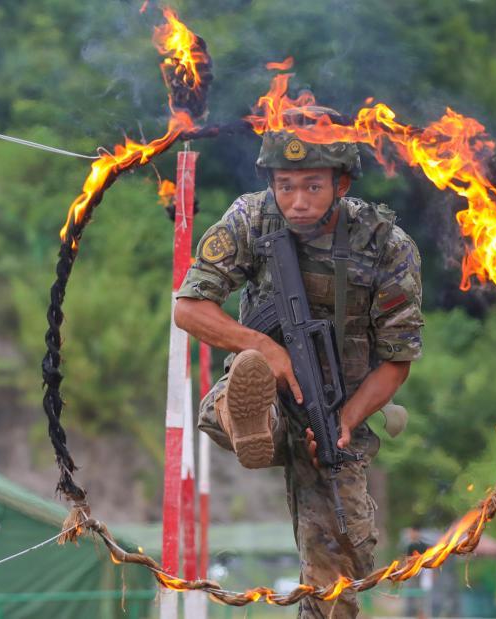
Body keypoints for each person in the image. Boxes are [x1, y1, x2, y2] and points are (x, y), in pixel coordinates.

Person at [174, 105, 424, 618]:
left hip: (339, 410)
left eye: (313, 186)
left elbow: (397, 361)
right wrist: (265, 347)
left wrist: (345, 424)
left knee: (341, 564)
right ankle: (247, 422)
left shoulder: (385, 246)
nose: (297, 201)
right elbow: (189, 308)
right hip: (266, 386)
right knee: (249, 387)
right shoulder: (251, 217)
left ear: (343, 184)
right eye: (285, 186)